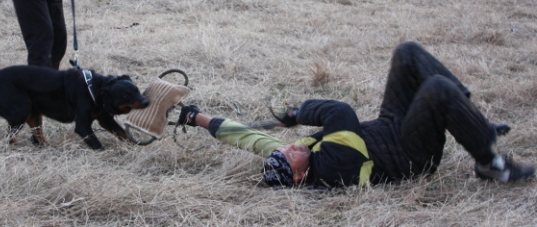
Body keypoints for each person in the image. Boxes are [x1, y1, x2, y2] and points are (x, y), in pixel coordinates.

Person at [178, 42, 535, 188]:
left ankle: (469, 114)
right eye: (289, 156)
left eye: (283, 150)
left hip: (389, 126)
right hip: (412, 154)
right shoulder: (333, 166)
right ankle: (490, 163)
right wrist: (300, 112)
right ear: (300, 178)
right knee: (437, 89)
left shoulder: (298, 155)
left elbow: (248, 137)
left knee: (407, 53)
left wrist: (196, 118)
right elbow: (340, 112)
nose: (288, 148)